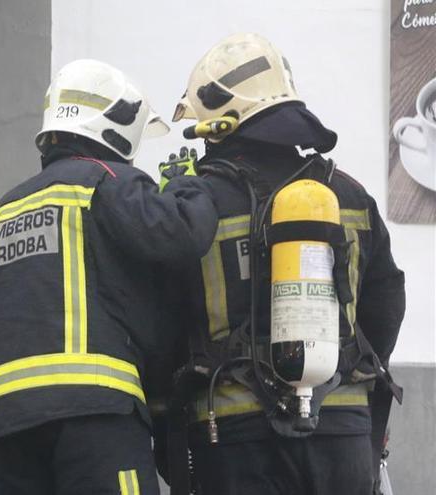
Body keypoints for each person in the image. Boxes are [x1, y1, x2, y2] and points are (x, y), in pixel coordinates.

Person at [158, 33, 406, 495]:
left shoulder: (197, 206)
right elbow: (387, 302)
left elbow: (163, 326)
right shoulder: (346, 195)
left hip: (234, 436)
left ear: (219, 123)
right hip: (342, 431)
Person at [0, 59, 218, 494]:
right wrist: (187, 184)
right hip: (96, 417)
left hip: (8, 426)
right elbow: (179, 234)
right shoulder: (105, 181)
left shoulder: (1, 214)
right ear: (114, 125)